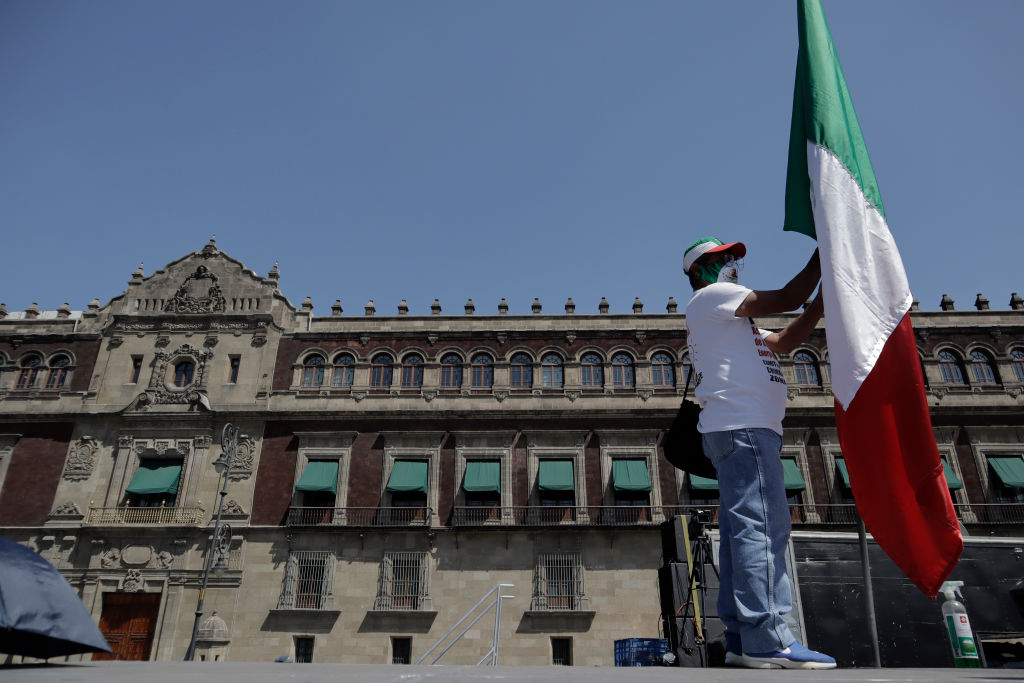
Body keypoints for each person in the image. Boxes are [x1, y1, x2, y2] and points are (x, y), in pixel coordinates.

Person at [683, 236, 836, 670]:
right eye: (723, 258)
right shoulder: (714, 297)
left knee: (739, 533)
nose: (733, 263)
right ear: (700, 270)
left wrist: (819, 306)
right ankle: (769, 636)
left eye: (733, 258)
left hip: (740, 429)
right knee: (764, 527)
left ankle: (740, 638)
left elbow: (785, 342)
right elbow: (789, 296)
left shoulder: (732, 320)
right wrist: (823, 252)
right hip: (744, 427)